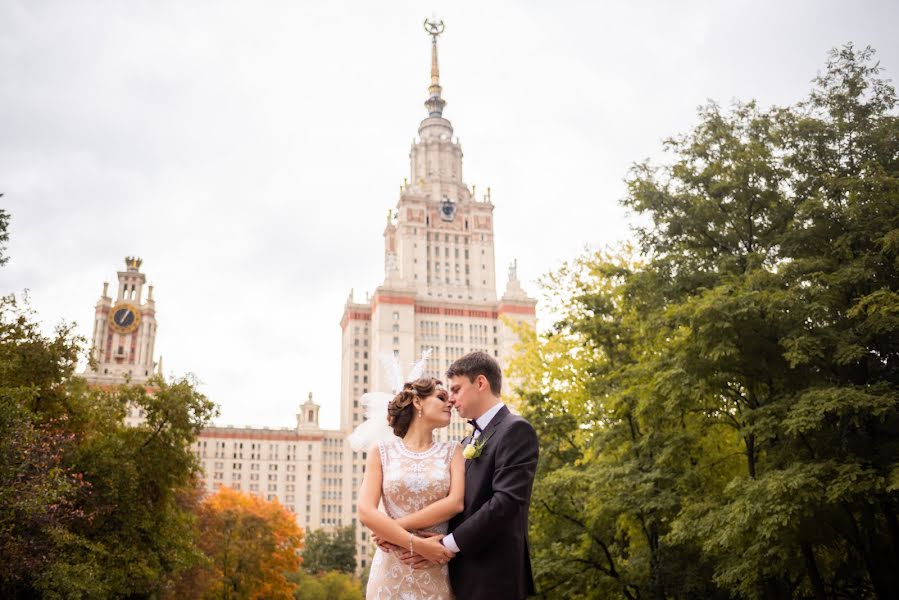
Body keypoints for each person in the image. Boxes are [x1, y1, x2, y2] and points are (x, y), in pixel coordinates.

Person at [380, 352, 540, 600]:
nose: (451, 400)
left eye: (455, 389)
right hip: (454, 577)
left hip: (494, 579)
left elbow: (505, 503)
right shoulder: (465, 443)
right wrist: (403, 536)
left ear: (480, 383)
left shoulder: (516, 429)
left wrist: (446, 545)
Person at [358, 377, 464, 599]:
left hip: (434, 568)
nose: (450, 403)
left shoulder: (453, 451)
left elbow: (455, 503)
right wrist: (417, 545)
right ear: (417, 402)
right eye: (441, 397)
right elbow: (366, 511)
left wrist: (391, 530)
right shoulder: (381, 451)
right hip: (389, 572)